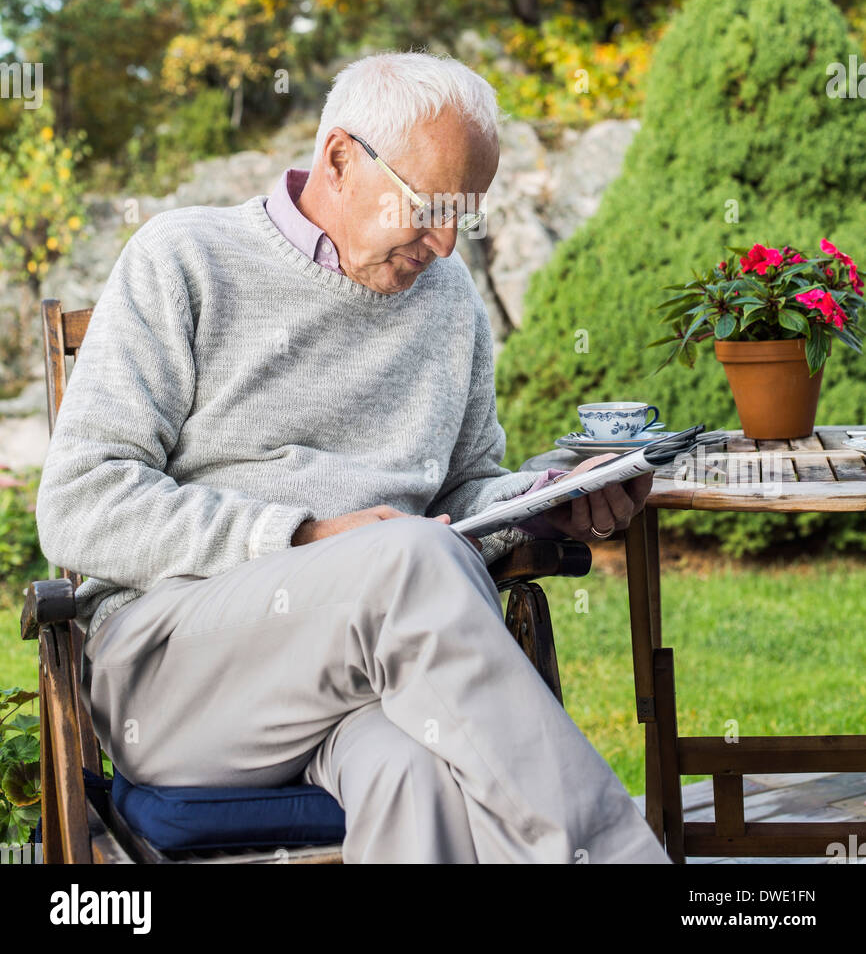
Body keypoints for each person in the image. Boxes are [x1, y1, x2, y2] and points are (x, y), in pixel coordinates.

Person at [35, 50, 670, 865]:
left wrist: (543, 497)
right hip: (183, 677)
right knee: (404, 555)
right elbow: (82, 502)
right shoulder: (183, 260)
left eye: (464, 216)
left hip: (376, 674)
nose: (445, 243)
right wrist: (303, 536)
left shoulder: (449, 306)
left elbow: (466, 486)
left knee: (418, 774)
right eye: (431, 206)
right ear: (340, 159)